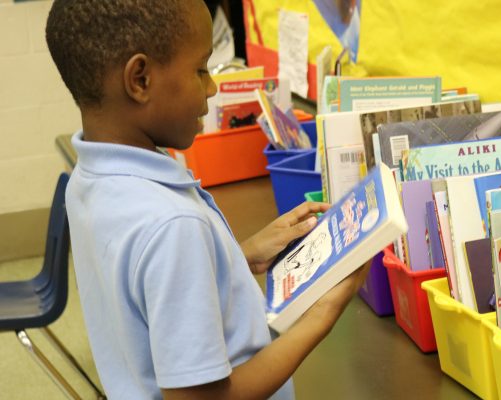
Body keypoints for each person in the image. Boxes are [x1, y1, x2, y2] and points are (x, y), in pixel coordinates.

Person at [45, 1, 368, 399]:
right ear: (140, 80)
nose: (212, 87)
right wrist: (321, 315)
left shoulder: (90, 178)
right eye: (201, 70)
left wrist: (237, 256)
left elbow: (143, 291)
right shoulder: (172, 226)